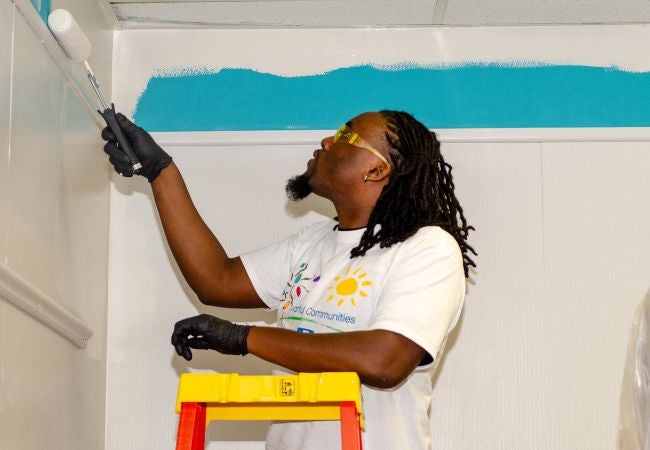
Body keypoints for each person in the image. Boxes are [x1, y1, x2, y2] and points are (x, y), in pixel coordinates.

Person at [102, 110, 476, 450]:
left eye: (345, 136)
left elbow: (384, 360)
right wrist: (160, 171)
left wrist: (244, 338)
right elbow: (216, 279)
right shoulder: (312, 243)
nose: (327, 142)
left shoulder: (427, 248)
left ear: (376, 171)